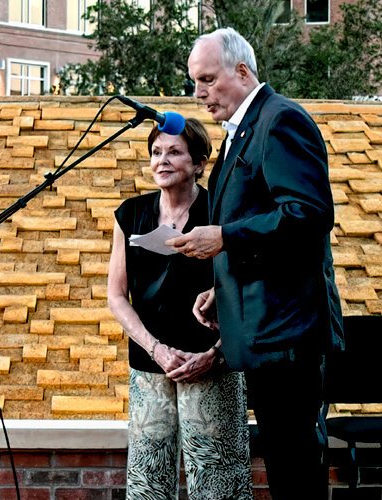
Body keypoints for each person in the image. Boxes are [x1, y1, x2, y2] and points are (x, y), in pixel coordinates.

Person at [167, 27, 344, 499]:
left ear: (242, 71)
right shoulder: (244, 129)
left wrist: (223, 237)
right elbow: (261, 225)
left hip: (287, 335)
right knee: (287, 468)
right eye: (194, 82)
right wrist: (220, 288)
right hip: (264, 332)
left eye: (206, 80)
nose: (198, 94)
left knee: (296, 472)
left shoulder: (281, 120)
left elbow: (308, 216)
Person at [108, 117, 253, 500]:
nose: (162, 160)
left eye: (174, 152)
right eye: (156, 152)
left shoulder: (220, 214)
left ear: (199, 163)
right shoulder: (130, 214)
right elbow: (116, 296)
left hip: (211, 365)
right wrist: (155, 349)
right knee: (147, 486)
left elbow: (244, 292)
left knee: (219, 484)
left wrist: (214, 355)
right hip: (149, 367)